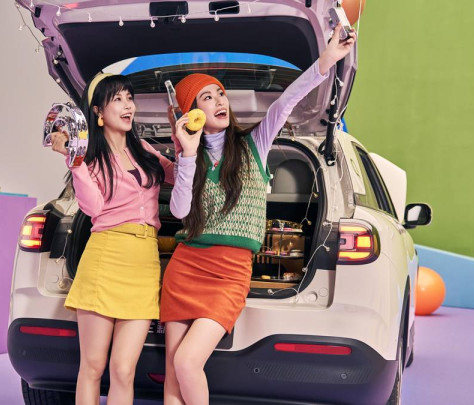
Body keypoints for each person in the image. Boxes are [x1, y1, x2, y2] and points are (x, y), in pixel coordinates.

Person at [161, 24, 357, 405]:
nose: (219, 100)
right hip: (185, 269)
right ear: (191, 113)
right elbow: (180, 210)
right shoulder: (190, 160)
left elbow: (285, 103)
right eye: (206, 97)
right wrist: (187, 154)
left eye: (220, 93)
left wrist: (328, 60)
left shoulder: (254, 143)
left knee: (186, 362)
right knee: (172, 376)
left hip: (229, 273)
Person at [49, 73, 175, 405]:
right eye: (117, 99)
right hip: (105, 258)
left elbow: (178, 175)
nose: (127, 105)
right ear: (99, 112)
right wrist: (75, 161)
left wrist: (183, 143)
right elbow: (93, 208)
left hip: (143, 263)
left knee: (123, 369)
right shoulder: (89, 157)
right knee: (92, 367)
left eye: (129, 98)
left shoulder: (143, 150)